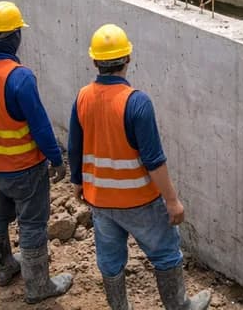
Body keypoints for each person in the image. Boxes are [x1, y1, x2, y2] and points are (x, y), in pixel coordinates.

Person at [69, 24, 211, 310]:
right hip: (138, 201)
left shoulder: (83, 96)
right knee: (166, 253)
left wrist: (77, 183)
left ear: (95, 61)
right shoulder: (137, 103)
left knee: (110, 260)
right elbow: (153, 159)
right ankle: (180, 306)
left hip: (101, 199)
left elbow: (75, 146)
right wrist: (172, 201)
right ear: (128, 59)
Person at [0, 0, 73, 303]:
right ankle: (38, 286)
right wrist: (55, 158)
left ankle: (4, 269)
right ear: (15, 37)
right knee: (32, 224)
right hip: (24, 166)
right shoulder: (20, 77)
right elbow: (39, 125)